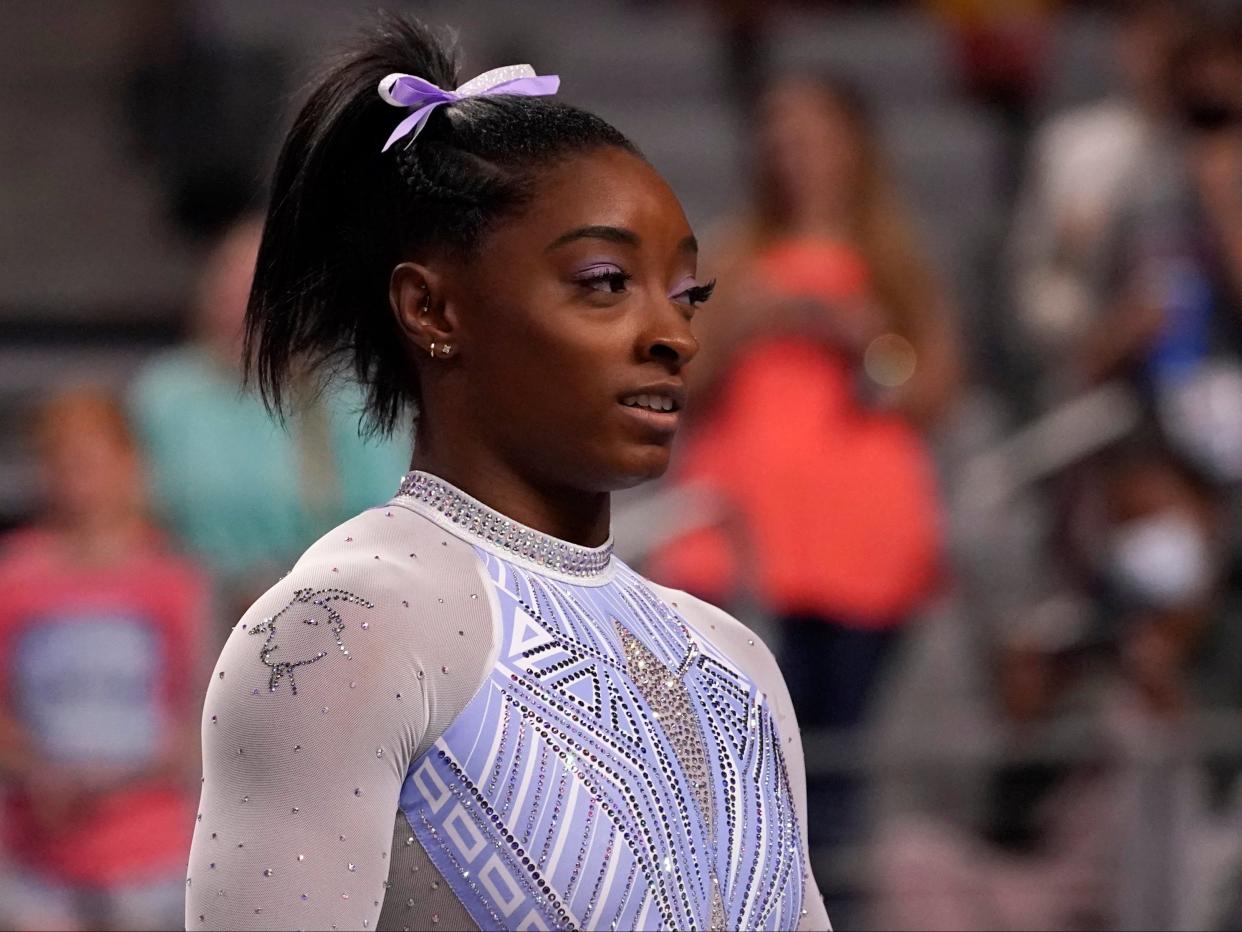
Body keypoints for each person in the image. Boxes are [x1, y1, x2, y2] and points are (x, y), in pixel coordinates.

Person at [185, 14, 829, 931]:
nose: (674, 334)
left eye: (689, 294)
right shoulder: (345, 631)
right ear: (432, 307)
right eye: (605, 281)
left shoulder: (736, 666)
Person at [130, 216, 411, 630]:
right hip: (191, 615)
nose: (237, 296)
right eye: (228, 278)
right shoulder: (164, 395)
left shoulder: (351, 396)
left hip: (329, 609)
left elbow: (388, 518)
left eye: (256, 280)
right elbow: (130, 520)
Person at [0, 389, 208, 931]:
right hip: (38, 852)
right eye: (62, 462)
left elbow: (198, 716)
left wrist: (114, 780)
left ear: (128, 464)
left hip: (150, 848)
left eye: (90, 461)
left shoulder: (173, 579)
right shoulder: (15, 577)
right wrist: (40, 774)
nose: (78, 480)